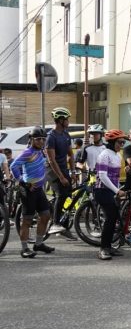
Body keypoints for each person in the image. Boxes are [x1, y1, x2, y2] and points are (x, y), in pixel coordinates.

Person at [11, 127, 54, 258]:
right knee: (27, 220)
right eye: (38, 139)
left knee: (46, 216)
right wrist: (22, 182)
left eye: (43, 139)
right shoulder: (27, 152)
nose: (41, 141)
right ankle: (24, 248)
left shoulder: (41, 152)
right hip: (28, 190)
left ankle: (38, 244)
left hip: (39, 190)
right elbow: (13, 166)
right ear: (31, 140)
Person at [93, 129, 129, 260]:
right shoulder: (104, 155)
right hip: (101, 190)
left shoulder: (117, 155)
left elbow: (116, 177)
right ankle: (103, 249)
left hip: (111, 190)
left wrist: (118, 189)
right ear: (112, 142)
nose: (121, 145)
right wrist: (117, 191)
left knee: (113, 218)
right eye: (119, 142)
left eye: (123, 143)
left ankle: (108, 246)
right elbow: (102, 176)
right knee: (110, 218)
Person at [45, 107, 77, 239]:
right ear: (60, 120)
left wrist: (73, 172)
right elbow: (51, 160)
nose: (68, 121)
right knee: (61, 194)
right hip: (52, 170)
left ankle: (64, 226)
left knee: (69, 197)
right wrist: (61, 177)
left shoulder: (65, 134)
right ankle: (55, 223)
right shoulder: (51, 137)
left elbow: (70, 155)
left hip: (64, 169)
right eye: (67, 119)